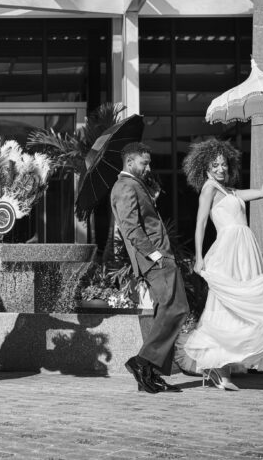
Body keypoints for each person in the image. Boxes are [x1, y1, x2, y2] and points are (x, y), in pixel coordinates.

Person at [181, 139, 263, 390]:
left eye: (224, 164)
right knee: (226, 304)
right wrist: (200, 257)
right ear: (206, 169)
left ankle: (221, 369)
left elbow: (262, 192)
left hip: (246, 249)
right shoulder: (209, 189)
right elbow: (201, 224)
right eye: (216, 165)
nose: (221, 169)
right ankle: (218, 369)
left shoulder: (232, 192)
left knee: (246, 304)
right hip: (228, 249)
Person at [110, 142, 188, 394]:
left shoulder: (134, 185)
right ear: (130, 162)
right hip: (156, 260)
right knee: (177, 308)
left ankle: (150, 375)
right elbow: (131, 228)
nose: (148, 167)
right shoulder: (124, 186)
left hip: (159, 259)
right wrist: (155, 256)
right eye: (144, 163)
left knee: (165, 311)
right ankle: (142, 362)